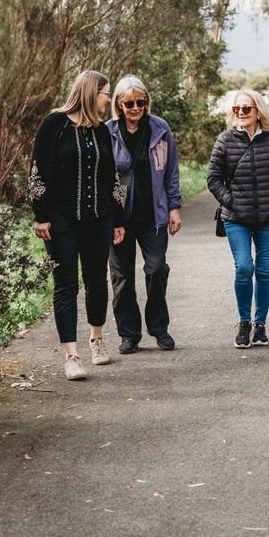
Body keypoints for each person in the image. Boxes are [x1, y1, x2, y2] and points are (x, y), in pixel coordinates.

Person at [29, 70, 126, 382]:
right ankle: (71, 356)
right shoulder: (53, 124)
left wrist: (118, 218)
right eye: (105, 93)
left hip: (99, 218)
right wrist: (40, 214)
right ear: (89, 93)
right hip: (60, 220)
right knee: (66, 284)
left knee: (97, 280)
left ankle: (96, 340)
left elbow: (111, 177)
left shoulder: (101, 130)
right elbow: (37, 172)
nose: (108, 99)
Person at [207, 89, 269, 349]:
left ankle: (260, 325)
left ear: (258, 111)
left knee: (264, 271)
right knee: (244, 268)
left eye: (247, 108)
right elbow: (213, 178)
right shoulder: (225, 139)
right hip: (236, 218)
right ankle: (244, 322)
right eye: (237, 109)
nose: (242, 112)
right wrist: (231, 201)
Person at [107, 76, 182, 354]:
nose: (136, 107)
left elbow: (171, 171)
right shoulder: (108, 132)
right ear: (118, 104)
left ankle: (159, 327)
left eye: (141, 102)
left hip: (154, 215)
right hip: (119, 219)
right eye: (129, 103)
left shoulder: (159, 128)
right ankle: (129, 334)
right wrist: (110, 218)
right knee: (122, 276)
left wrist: (174, 207)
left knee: (157, 268)